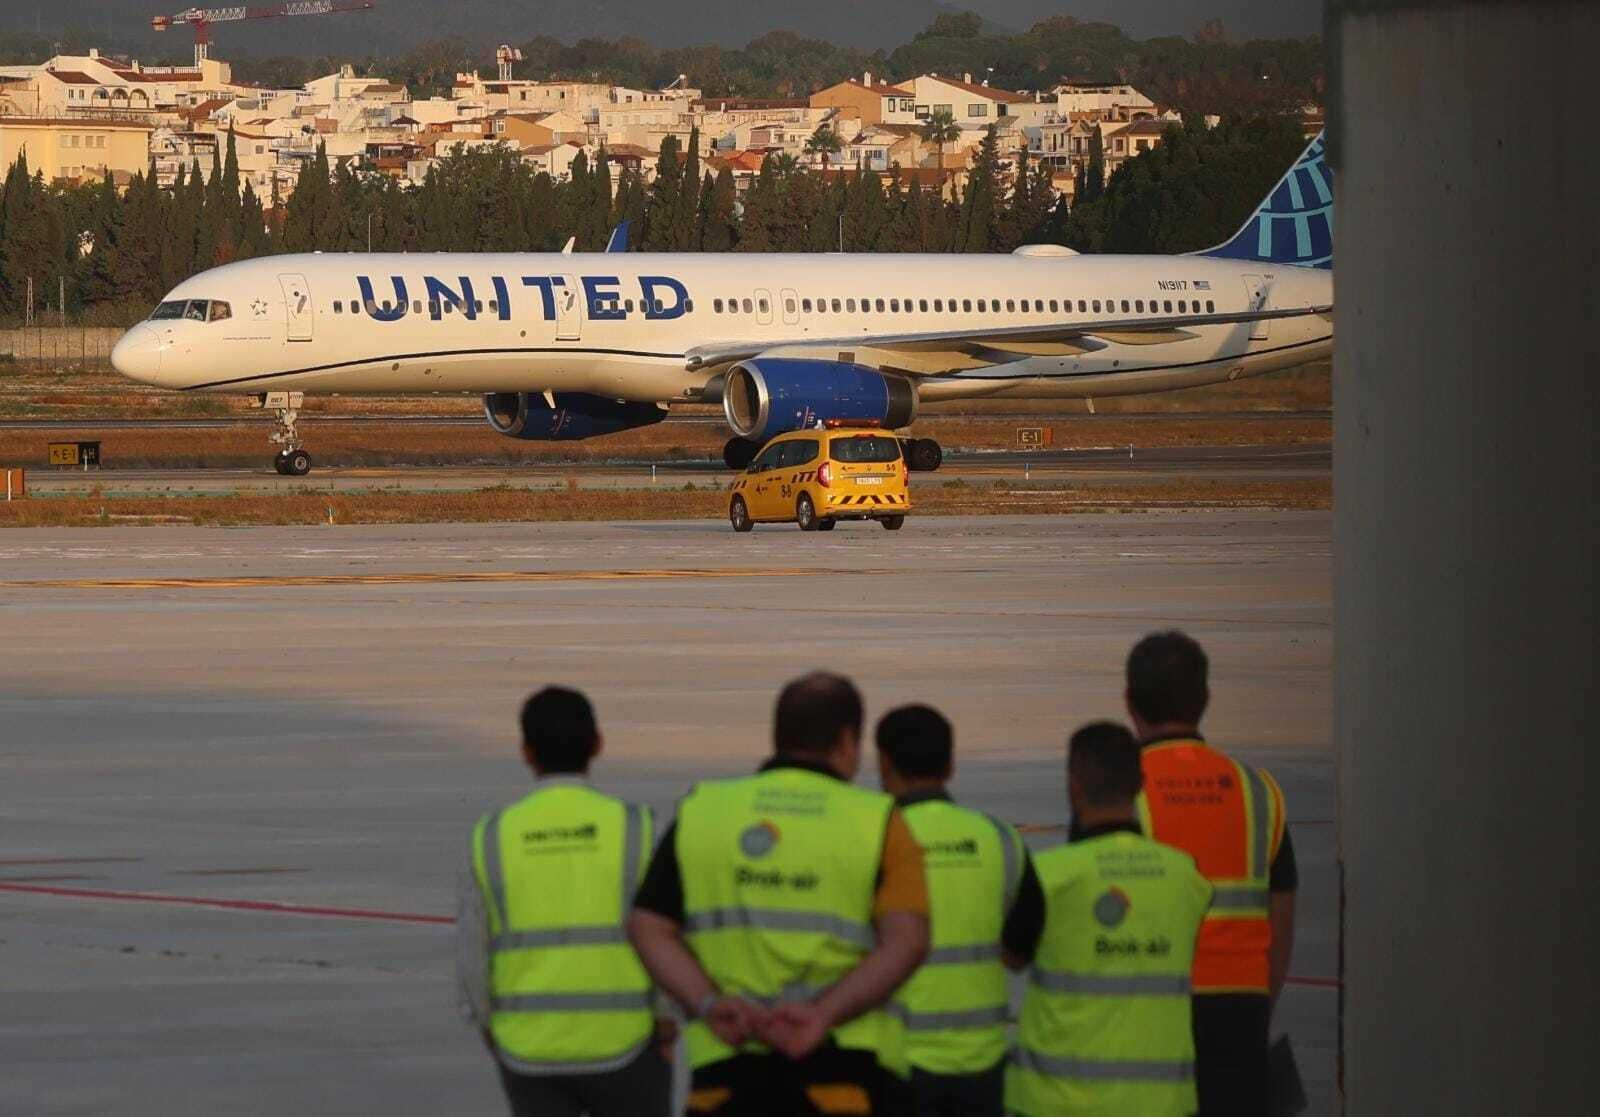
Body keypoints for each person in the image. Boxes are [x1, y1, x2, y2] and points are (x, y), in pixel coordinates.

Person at [627, 671, 931, 1116]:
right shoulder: (878, 821)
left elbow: (648, 926)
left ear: (778, 736)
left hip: (726, 1071)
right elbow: (907, 941)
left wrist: (710, 1004)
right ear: (848, 741)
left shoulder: (703, 811)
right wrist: (822, 1014)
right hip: (845, 1072)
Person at [457, 685, 671, 1117]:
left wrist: (486, 1022)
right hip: (626, 1042)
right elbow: (666, 932)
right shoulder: (637, 830)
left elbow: (473, 949)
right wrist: (667, 1020)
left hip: (528, 1047)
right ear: (597, 744)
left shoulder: (494, 836)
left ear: (526, 751)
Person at [1125, 631, 1298, 1117]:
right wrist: (1260, 1002)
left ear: (1129, 702)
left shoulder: (1120, 791)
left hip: (1154, 1006)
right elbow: (1281, 912)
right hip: (1242, 1006)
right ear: (1204, 700)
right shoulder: (1257, 791)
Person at [1007, 722, 1213, 1116]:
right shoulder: (1186, 877)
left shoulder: (1049, 875)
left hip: (1058, 1103)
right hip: (1160, 1103)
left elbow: (1011, 956)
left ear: (1074, 787)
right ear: (1140, 785)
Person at [873, 704, 1044, 1117]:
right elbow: (1022, 947)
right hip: (981, 1065)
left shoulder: (870, 843)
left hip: (898, 1061)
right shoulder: (999, 839)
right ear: (950, 764)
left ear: (884, 766)